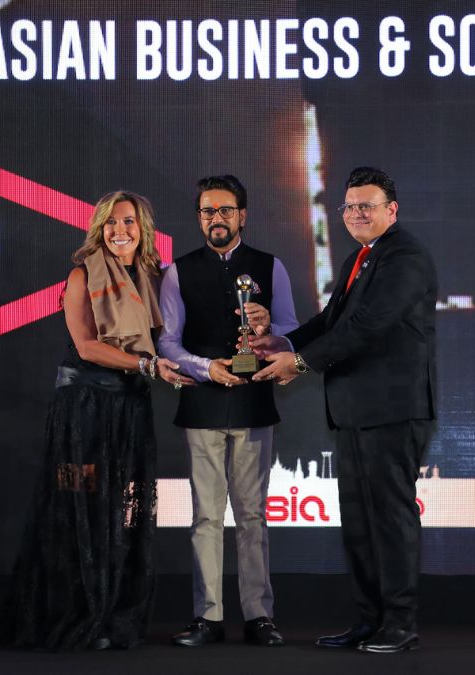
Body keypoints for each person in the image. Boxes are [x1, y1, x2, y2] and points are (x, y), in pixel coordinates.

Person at [252, 166, 437, 654]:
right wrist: (285, 343)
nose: (355, 214)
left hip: (392, 409)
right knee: (358, 522)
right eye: (349, 206)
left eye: (366, 206)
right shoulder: (361, 257)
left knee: (390, 518)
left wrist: (300, 362)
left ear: (391, 210)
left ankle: (400, 622)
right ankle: (369, 621)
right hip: (355, 408)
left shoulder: (405, 257)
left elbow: (369, 326)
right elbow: (333, 320)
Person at [0, 191, 192, 651]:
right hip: (82, 413)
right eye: (111, 222)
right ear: (99, 228)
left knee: (121, 514)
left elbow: (174, 337)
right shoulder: (82, 274)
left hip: (130, 411)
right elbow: (87, 347)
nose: (119, 231)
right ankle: (73, 614)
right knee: (77, 508)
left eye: (128, 222)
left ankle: (112, 616)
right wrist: (146, 365)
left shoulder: (155, 277)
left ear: (143, 229)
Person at [158, 175, 297, 647]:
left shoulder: (270, 267)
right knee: (205, 517)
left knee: (253, 516)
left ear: (243, 215)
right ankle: (208, 617)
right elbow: (168, 343)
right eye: (207, 211)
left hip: (255, 403)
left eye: (225, 210)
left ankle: (259, 616)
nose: (216, 219)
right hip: (201, 404)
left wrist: (269, 330)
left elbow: (292, 332)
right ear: (199, 218)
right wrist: (205, 368)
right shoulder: (178, 272)